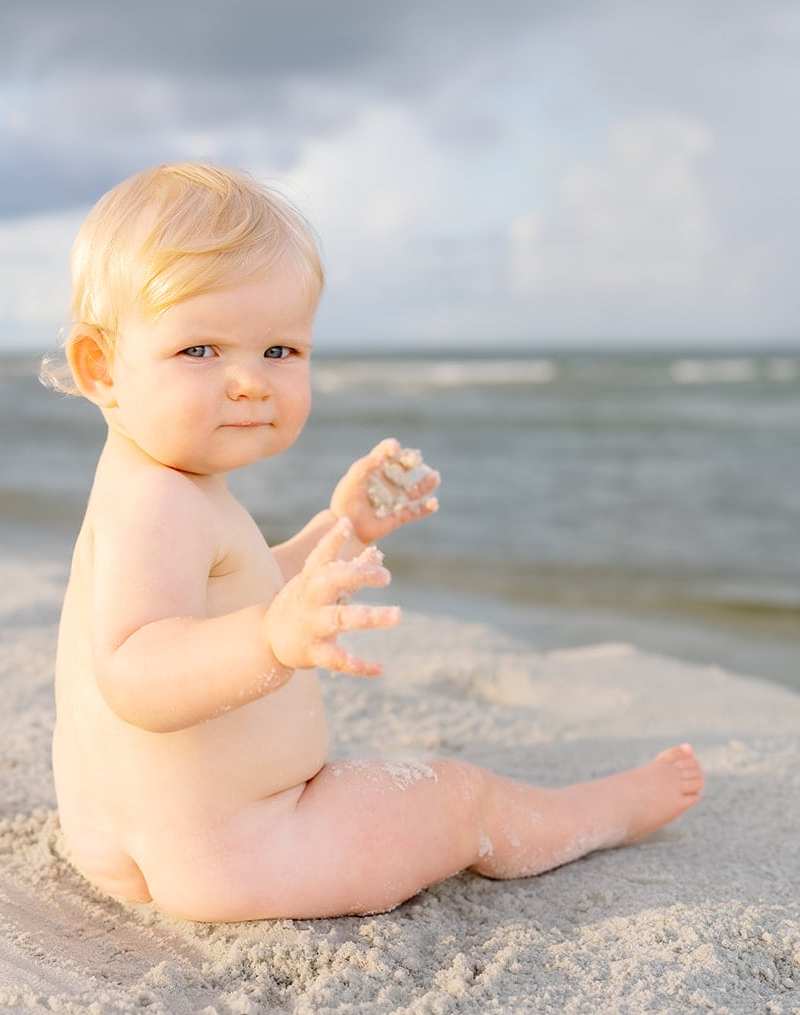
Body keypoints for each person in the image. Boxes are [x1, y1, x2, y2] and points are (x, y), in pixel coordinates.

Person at [47, 162, 703, 923]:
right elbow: (135, 670)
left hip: (137, 842)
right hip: (244, 847)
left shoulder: (153, 485)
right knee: (460, 799)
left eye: (280, 351)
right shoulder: (159, 502)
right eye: (201, 351)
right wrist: (270, 639)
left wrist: (341, 528)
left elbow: (240, 585)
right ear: (101, 367)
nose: (251, 382)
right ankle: (604, 812)